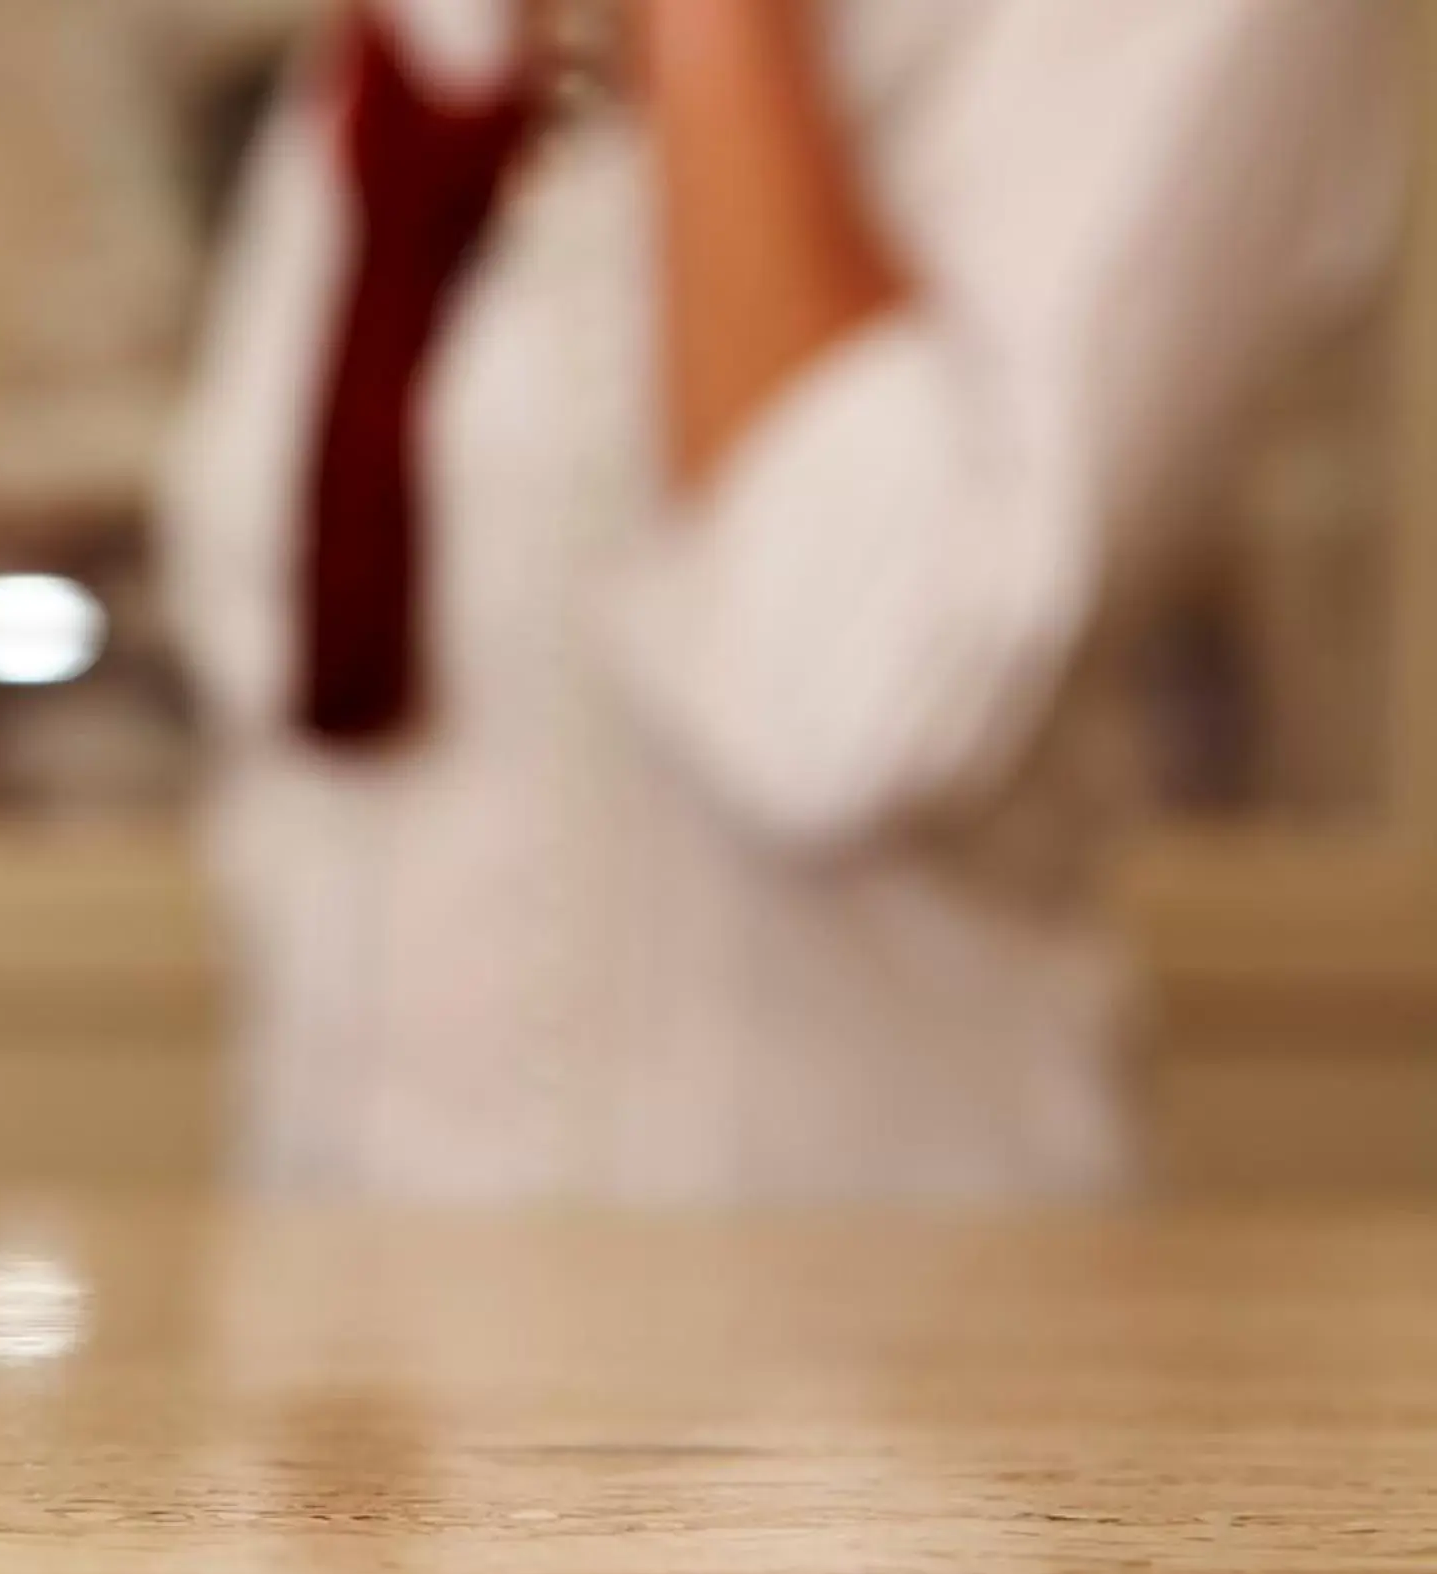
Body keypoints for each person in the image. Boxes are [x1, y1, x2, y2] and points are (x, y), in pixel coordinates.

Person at [161, 0, 1410, 1202]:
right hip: (363, 1341)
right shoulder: (417, 46)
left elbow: (850, 690)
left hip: (884, 1353)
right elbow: (298, 671)